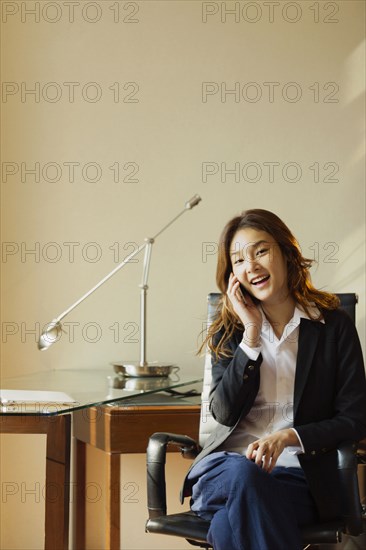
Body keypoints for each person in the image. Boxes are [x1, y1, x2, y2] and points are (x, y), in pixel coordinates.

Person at [181, 209, 366, 550]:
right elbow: (221, 413)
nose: (250, 266)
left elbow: (355, 419)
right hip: (225, 471)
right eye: (238, 260)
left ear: (286, 252)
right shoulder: (230, 332)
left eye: (261, 251)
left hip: (299, 480)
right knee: (245, 475)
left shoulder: (333, 327)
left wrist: (288, 437)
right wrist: (251, 336)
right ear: (232, 275)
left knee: (227, 526)